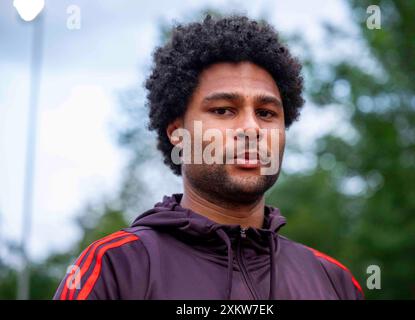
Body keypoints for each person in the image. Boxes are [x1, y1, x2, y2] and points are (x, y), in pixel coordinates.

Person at [54, 15, 364, 300]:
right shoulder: (115, 268)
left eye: (266, 113)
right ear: (178, 132)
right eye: (223, 110)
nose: (250, 128)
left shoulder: (334, 282)